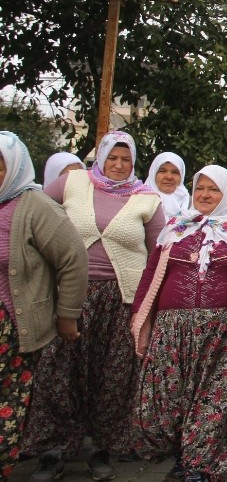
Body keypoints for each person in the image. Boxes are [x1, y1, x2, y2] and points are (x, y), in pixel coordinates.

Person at [23, 130, 166, 481]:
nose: (118, 165)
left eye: (126, 159)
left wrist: (150, 306)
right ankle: (52, 450)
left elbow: (158, 255)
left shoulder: (147, 199)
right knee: (58, 371)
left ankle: (101, 448)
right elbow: (32, 210)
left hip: (120, 299)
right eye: (112, 157)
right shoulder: (73, 183)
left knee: (112, 375)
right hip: (69, 294)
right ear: (100, 157)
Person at [130, 165, 227, 481]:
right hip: (172, 330)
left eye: (213, 189)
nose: (205, 195)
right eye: (200, 188)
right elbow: (151, 273)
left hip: (224, 331)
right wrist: (140, 315)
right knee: (165, 402)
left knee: (213, 401)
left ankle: (199, 467)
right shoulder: (177, 226)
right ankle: (182, 456)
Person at [0, 133, 88, 481]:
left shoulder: (34, 206)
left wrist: (67, 315)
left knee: (6, 402)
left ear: (14, 167)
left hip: (10, 327)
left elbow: (73, 258)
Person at [144, 152, 190, 218]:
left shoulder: (193, 203)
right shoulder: (139, 202)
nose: (169, 177)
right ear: (153, 174)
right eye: (162, 171)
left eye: (175, 172)